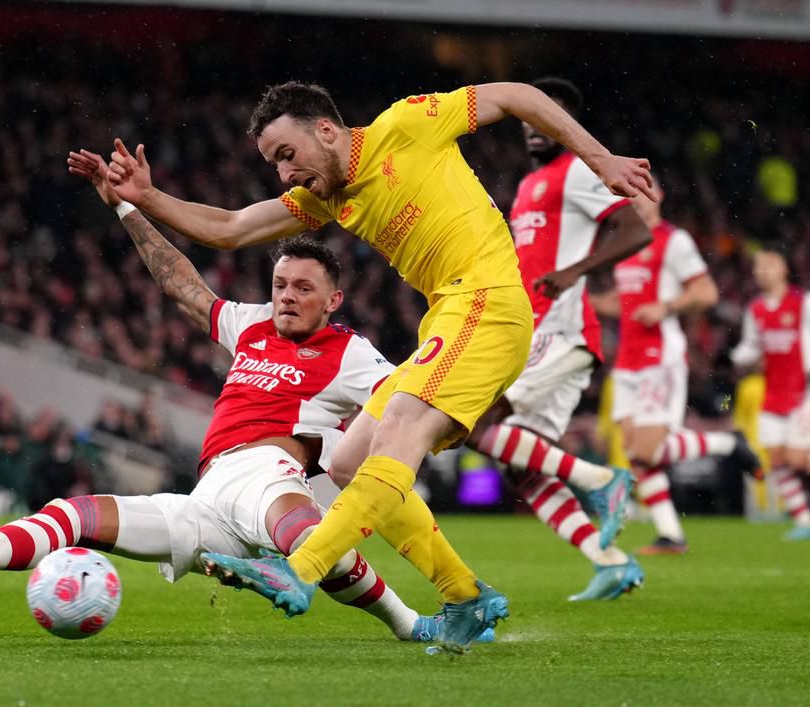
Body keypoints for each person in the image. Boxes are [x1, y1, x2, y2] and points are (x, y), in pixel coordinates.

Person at [103, 79, 656, 651]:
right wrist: (145, 197)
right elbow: (232, 228)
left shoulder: (408, 124)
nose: (283, 174)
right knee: (348, 459)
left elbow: (516, 94)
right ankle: (465, 594)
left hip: (487, 302)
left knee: (400, 430)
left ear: (325, 130)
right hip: (449, 314)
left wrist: (601, 159)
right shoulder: (327, 198)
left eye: (287, 155)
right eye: (273, 163)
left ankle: (302, 568)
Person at [0, 151, 446, 644]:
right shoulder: (250, 325)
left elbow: (411, 401)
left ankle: (397, 616)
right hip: (208, 501)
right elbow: (179, 284)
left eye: (303, 289)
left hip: (271, 471)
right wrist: (125, 207)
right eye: (280, 285)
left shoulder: (349, 352)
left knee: (303, 528)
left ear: (334, 300)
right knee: (75, 514)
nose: (287, 297)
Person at [454, 78, 651, 599]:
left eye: (546, 116)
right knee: (520, 466)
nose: (531, 126)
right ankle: (608, 561)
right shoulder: (527, 186)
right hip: (534, 327)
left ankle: (600, 480)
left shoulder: (580, 172)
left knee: (472, 423)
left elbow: (637, 231)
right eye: (527, 118)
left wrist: (574, 272)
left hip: (560, 328)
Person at [594, 189, 761, 554]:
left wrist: (665, 307)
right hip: (627, 360)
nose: (636, 197)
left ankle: (728, 443)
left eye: (644, 190)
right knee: (636, 454)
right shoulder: (625, 243)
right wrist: (582, 299)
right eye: (629, 192)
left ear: (660, 196)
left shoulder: (673, 239)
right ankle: (671, 535)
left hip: (659, 355)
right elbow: (622, 302)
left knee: (649, 450)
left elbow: (707, 293)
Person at [730, 243, 810, 541]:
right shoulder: (755, 309)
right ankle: (804, 521)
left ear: (784, 269)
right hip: (773, 392)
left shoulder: (806, 303)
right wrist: (740, 358)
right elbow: (750, 347)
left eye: (768, 265)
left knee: (798, 460)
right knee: (776, 459)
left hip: (805, 393)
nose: (762, 271)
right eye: (758, 267)